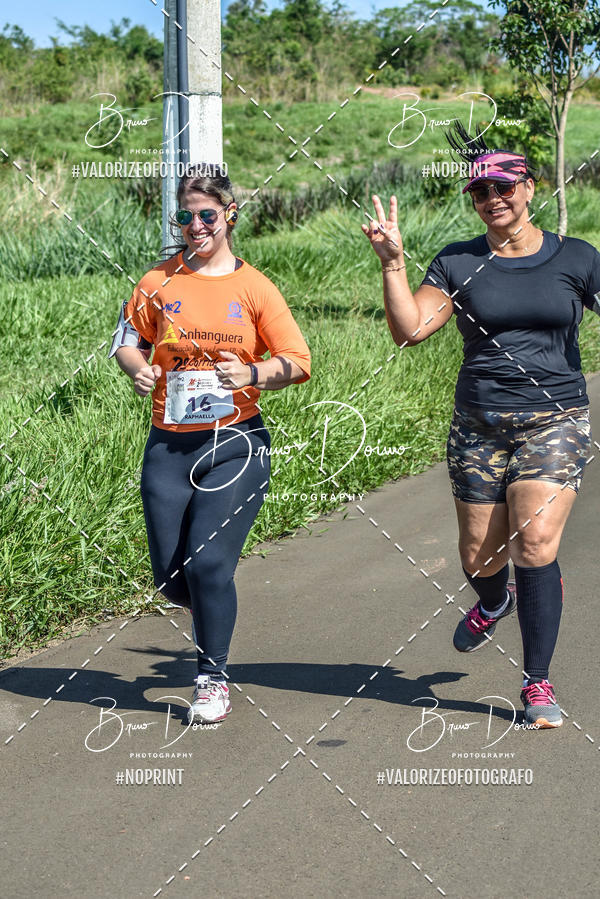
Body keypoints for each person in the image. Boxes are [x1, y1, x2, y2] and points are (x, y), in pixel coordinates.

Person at [362, 124, 600, 728]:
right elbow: (411, 329)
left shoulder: (577, 258)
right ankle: (493, 602)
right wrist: (393, 265)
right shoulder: (459, 261)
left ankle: (537, 683)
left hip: (557, 416)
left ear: (529, 187)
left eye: (503, 186)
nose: (493, 198)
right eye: (479, 191)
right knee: (479, 553)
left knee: (536, 543)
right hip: (480, 422)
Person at [110, 164, 311, 724]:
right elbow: (127, 340)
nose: (195, 226)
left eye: (206, 215)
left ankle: (211, 677)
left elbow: (297, 361)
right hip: (169, 447)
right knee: (173, 580)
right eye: (185, 216)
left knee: (208, 566)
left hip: (235, 443)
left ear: (229, 215)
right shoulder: (157, 282)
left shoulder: (255, 288)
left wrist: (249, 375)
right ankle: (212, 611)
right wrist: (137, 370)